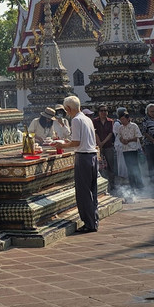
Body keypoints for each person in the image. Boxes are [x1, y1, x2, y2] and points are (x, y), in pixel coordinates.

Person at [52, 95, 99, 233]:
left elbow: (76, 142)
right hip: (92, 156)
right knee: (92, 191)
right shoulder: (87, 119)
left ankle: (89, 223)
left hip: (83, 157)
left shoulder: (76, 120)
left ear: (68, 108)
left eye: (66, 109)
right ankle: (93, 220)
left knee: (83, 192)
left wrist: (62, 144)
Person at [115, 107, 145, 196]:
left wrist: (129, 140)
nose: (122, 121)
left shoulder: (134, 126)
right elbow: (119, 136)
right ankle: (132, 185)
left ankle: (139, 184)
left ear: (128, 119)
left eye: (123, 119)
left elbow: (138, 137)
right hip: (125, 149)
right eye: (121, 119)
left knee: (135, 166)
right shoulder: (120, 128)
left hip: (133, 148)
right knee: (129, 167)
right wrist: (122, 140)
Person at [93, 106, 117, 195]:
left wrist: (103, 142)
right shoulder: (95, 121)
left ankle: (112, 185)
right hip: (98, 146)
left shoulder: (110, 121)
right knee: (101, 167)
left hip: (108, 145)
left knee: (111, 166)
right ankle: (103, 187)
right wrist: (99, 143)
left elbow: (110, 133)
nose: (103, 112)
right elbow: (95, 133)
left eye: (105, 111)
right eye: (101, 111)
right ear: (98, 112)